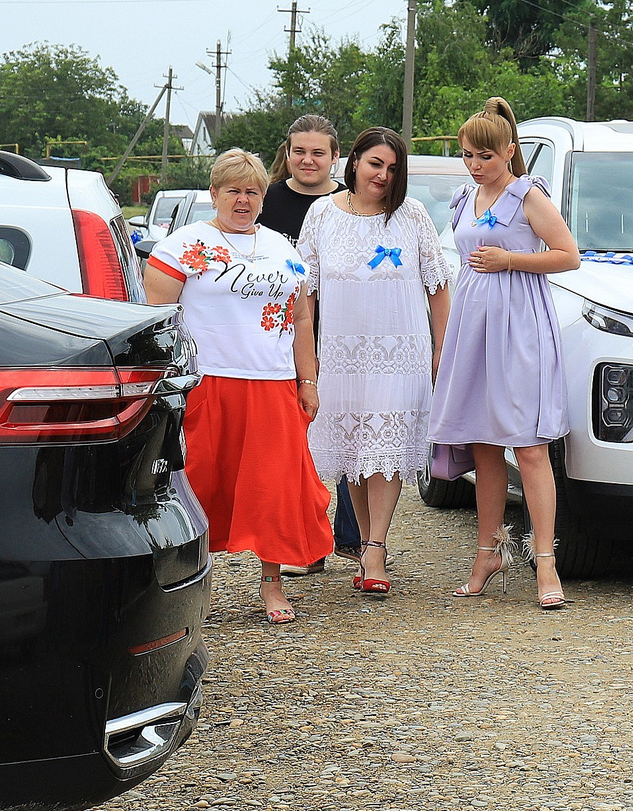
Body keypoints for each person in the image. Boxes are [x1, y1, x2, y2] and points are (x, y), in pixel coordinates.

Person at [141, 149, 332, 623]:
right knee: (199, 486)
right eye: (233, 190)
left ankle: (272, 583)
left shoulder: (282, 249)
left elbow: (302, 316)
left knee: (272, 489)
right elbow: (156, 321)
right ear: (214, 194)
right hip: (206, 385)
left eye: (252, 191)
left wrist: (307, 378)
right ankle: (187, 587)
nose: (242, 200)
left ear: (264, 197)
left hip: (272, 385)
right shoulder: (182, 245)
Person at [431, 97, 579, 609]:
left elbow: (569, 256)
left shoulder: (526, 195)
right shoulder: (460, 199)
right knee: (484, 443)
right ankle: (486, 554)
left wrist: (511, 258)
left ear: (508, 151)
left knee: (531, 448)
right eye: (467, 155)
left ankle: (545, 565)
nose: (475, 166)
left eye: (485, 157)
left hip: (520, 325)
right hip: (474, 324)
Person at [295, 128, 455, 598]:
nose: (383, 176)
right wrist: (306, 363)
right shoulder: (322, 213)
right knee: (355, 454)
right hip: (342, 355)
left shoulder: (413, 215)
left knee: (384, 449)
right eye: (375, 164)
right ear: (354, 162)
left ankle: (377, 548)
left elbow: (438, 286)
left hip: (401, 352)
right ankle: (367, 544)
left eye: (392, 168)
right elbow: (305, 294)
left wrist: (440, 349)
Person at [257, 113, 359, 566]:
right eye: (299, 150)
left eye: (319, 152)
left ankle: (353, 538)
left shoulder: (352, 203)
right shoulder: (266, 202)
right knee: (298, 445)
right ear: (287, 153)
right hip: (281, 340)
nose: (307, 159)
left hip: (344, 336)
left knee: (349, 435)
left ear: (336, 157)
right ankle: (306, 542)